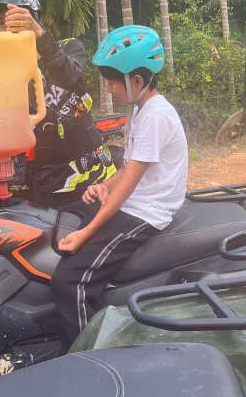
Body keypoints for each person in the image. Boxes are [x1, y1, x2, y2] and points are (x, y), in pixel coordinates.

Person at [51, 24, 188, 345]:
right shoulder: (143, 110)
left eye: (113, 81)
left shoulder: (155, 116)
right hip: (133, 200)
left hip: (145, 211)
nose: (109, 88)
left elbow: (130, 184)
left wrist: (87, 231)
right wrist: (104, 186)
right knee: (68, 212)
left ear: (137, 81)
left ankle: (88, 358)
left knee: (70, 281)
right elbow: (127, 169)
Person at [0, 0, 116, 208]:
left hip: (90, 176)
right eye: (2, 22)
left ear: (35, 19)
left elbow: (73, 79)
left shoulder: (66, 47)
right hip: (39, 183)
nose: (10, 26)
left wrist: (39, 36)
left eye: (18, 17)